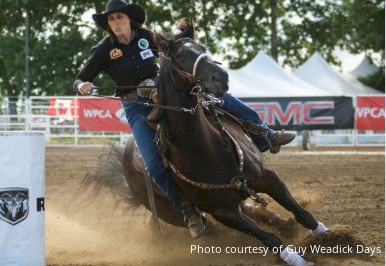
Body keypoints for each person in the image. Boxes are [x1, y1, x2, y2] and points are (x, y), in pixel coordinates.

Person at [73, 0, 295, 238]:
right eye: (111, 19)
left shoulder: (148, 37)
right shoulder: (104, 49)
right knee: (153, 162)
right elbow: (80, 77)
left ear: (129, 19)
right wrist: (82, 85)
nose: (115, 22)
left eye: (119, 17)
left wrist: (185, 35)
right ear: (108, 24)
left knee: (222, 98)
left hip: (165, 95)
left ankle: (266, 135)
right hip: (137, 107)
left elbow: (177, 47)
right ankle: (186, 208)